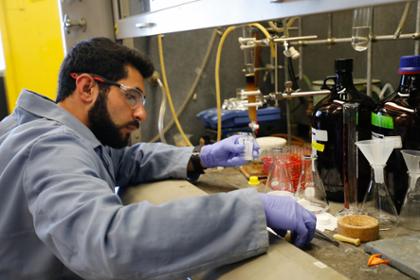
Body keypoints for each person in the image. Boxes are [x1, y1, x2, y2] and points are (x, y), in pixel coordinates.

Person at [0, 37, 316, 280]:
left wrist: (200, 157)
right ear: (86, 88)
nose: (141, 112)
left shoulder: (68, 134)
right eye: (131, 96)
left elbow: (125, 160)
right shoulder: (51, 148)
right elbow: (111, 243)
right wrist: (250, 210)